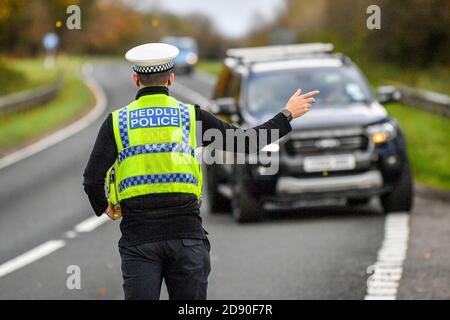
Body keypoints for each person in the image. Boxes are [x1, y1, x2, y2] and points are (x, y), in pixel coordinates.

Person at [83, 43, 319, 300]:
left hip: (139, 239)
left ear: (135, 79)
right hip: (186, 237)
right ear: (171, 79)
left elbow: (92, 180)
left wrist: (105, 206)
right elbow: (247, 142)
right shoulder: (190, 116)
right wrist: (287, 115)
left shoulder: (117, 122)